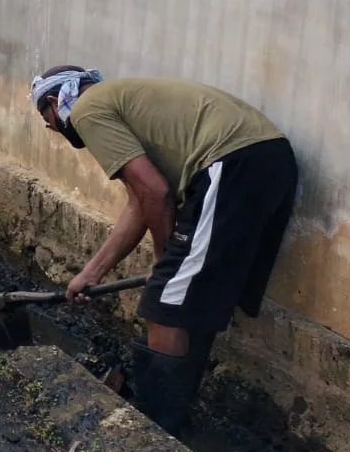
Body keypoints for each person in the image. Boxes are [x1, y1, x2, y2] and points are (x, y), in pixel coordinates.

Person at [30, 67, 298, 433]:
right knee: (192, 300)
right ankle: (174, 423)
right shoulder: (121, 102)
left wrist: (162, 258)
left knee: (165, 301)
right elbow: (141, 203)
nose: (55, 130)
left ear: (52, 103)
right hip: (267, 160)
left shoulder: (87, 110)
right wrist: (91, 273)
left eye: (49, 122)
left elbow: (156, 193)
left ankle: (157, 430)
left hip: (234, 163)